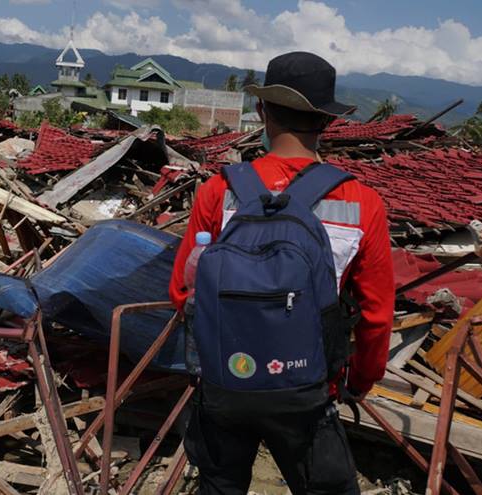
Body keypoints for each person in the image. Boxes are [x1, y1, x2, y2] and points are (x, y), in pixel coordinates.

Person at [169, 52, 394, 495]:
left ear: (261, 112)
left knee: (218, 485)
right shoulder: (362, 203)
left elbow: (183, 292)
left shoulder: (220, 190)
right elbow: (376, 316)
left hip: (224, 384)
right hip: (307, 392)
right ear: (327, 122)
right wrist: (357, 382)